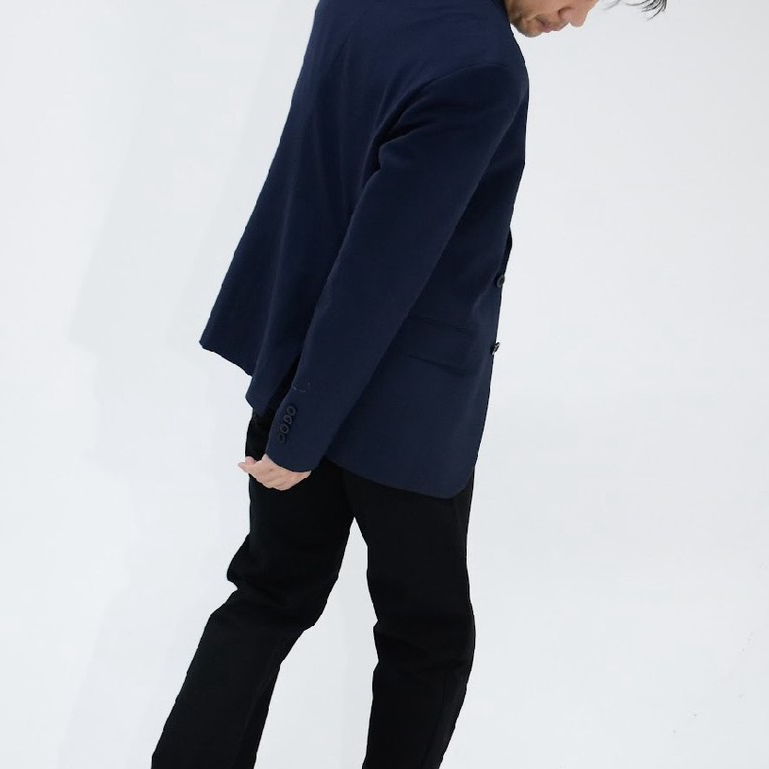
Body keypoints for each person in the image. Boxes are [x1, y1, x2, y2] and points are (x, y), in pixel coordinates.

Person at [151, 0, 666, 766]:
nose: (576, 18)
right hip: (401, 414)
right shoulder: (482, 68)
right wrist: (299, 437)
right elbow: (377, 273)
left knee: (268, 596)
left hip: (294, 360)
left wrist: (294, 411)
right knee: (427, 639)